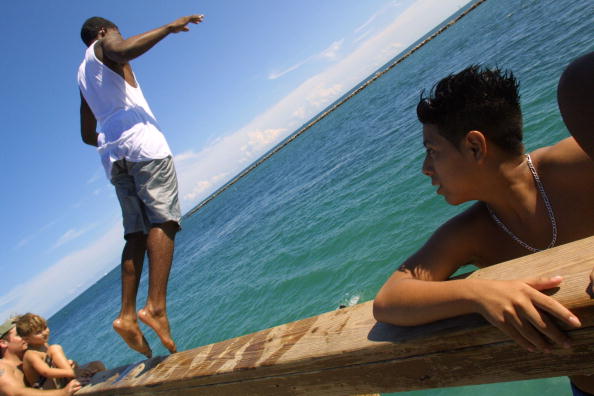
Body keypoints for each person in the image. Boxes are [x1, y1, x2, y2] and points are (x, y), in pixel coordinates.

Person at [373, 52, 594, 395]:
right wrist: (478, 292)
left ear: (475, 147)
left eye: (432, 150)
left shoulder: (575, 163)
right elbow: (390, 300)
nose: (425, 168)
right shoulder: (471, 232)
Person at [77, 14, 204, 357]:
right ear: (102, 32)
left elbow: (88, 134)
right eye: (116, 31)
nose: (119, 36)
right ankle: (156, 307)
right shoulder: (105, 45)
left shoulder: (83, 74)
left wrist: (114, 130)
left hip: (113, 156)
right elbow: (122, 50)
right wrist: (167, 29)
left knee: (136, 233)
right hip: (143, 146)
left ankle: (127, 315)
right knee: (164, 220)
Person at [15, 314, 104, 390]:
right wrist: (72, 373)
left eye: (45, 327)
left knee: (97, 364)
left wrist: (69, 364)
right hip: (46, 389)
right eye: (39, 332)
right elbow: (46, 371)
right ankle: (76, 377)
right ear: (27, 339)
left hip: (59, 381)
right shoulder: (30, 354)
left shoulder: (44, 344)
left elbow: (53, 364)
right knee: (55, 348)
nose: (45, 332)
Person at [0, 318, 82, 396]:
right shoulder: (2, 367)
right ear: (3, 343)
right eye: (19, 334)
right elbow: (16, 393)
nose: (25, 337)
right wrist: (63, 392)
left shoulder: (31, 353)